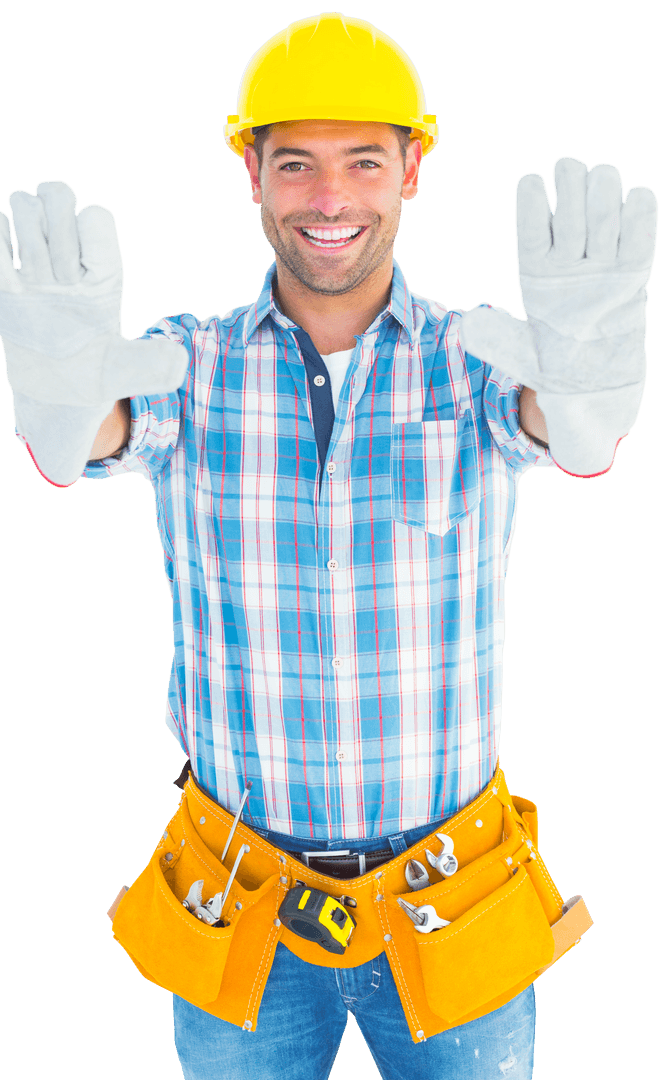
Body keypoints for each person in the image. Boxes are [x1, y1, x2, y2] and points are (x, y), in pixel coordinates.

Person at [0, 12, 657, 1080]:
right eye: (295, 162)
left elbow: (561, 430)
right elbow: (94, 437)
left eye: (362, 160)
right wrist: (64, 405)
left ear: (410, 171)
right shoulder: (188, 364)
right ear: (250, 173)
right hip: (238, 911)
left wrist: (586, 399)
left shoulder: (477, 360)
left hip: (452, 904)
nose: (328, 199)